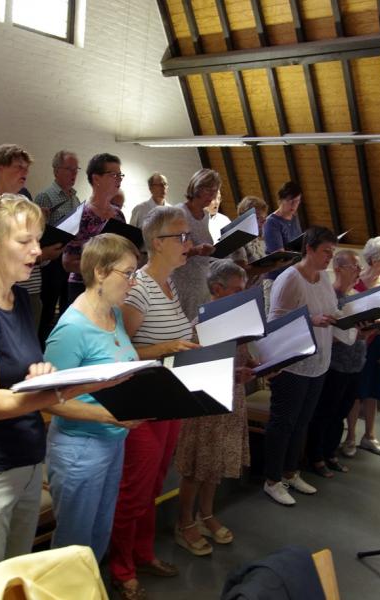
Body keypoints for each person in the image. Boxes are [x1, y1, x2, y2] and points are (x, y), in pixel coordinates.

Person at [0, 194, 114, 585]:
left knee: (16, 584)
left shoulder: (16, 296)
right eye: (24, 241)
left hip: (28, 460)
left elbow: (18, 375)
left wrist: (43, 374)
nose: (37, 250)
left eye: (37, 239)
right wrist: (65, 389)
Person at [112, 205, 199, 600]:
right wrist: (166, 347)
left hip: (171, 400)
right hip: (143, 403)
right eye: (181, 237)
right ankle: (121, 567)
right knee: (134, 490)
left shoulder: (170, 285)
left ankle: (143, 553)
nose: (188, 243)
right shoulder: (140, 288)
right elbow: (119, 349)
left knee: (153, 485)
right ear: (157, 243)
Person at [43, 234, 142, 561]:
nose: (133, 282)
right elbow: (49, 400)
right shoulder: (72, 328)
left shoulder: (114, 315)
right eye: (128, 274)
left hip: (112, 441)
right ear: (100, 272)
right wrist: (109, 416)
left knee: (99, 535)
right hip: (79, 449)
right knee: (73, 548)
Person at [174, 259, 253, 557]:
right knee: (196, 466)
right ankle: (184, 522)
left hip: (231, 398)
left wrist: (256, 365)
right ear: (217, 290)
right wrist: (233, 374)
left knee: (216, 461)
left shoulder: (236, 320)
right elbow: (194, 370)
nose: (241, 295)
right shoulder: (201, 323)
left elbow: (241, 353)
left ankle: (206, 515)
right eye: (236, 290)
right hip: (205, 404)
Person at [263, 226, 340, 506]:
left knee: (303, 421)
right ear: (308, 249)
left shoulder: (323, 278)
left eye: (332, 252)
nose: (329, 257)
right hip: (292, 362)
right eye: (325, 252)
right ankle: (272, 480)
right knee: (283, 422)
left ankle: (291, 471)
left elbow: (331, 308)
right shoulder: (290, 278)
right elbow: (274, 324)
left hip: (318, 361)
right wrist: (311, 320)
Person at [0, 144, 64, 331]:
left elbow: (35, 243)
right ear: (0, 168)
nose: (24, 171)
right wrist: (41, 255)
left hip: (31, 290)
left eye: (26, 168)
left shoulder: (26, 203)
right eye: (18, 166)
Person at [305, 250, 368, 478]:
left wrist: (366, 331)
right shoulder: (330, 296)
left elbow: (358, 334)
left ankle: (331, 453)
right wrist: (350, 333)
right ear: (339, 268)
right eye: (354, 267)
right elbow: (324, 335)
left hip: (355, 364)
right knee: (325, 413)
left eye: (359, 267)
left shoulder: (357, 296)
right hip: (334, 365)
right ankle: (316, 457)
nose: (359, 271)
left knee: (341, 412)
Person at [341, 236, 380, 459]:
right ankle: (350, 437)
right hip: (359, 341)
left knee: (374, 390)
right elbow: (348, 310)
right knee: (357, 392)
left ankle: (370, 436)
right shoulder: (357, 282)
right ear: (376, 260)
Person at [62, 153, 126, 304]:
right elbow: (68, 262)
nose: (119, 178)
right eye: (113, 174)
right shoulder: (80, 215)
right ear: (96, 178)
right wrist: (100, 270)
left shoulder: (118, 215)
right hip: (83, 288)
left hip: (112, 287)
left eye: (120, 174)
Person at [34, 150, 82, 341]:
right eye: (69, 169)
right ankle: (42, 349)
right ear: (56, 171)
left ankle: (62, 344)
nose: (73, 174)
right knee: (47, 311)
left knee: (67, 310)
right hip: (51, 261)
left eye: (76, 169)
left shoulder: (75, 198)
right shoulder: (45, 197)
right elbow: (37, 232)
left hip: (70, 260)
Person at [170, 168, 218, 321]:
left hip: (201, 281)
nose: (213, 196)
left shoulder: (205, 216)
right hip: (183, 282)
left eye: (215, 191)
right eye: (209, 191)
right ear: (197, 188)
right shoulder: (180, 212)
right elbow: (172, 251)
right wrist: (196, 251)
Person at [263, 181, 303, 283]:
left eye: (297, 201)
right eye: (290, 201)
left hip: (295, 269)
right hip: (278, 276)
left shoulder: (294, 217)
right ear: (281, 200)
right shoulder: (271, 222)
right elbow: (280, 256)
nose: (294, 205)